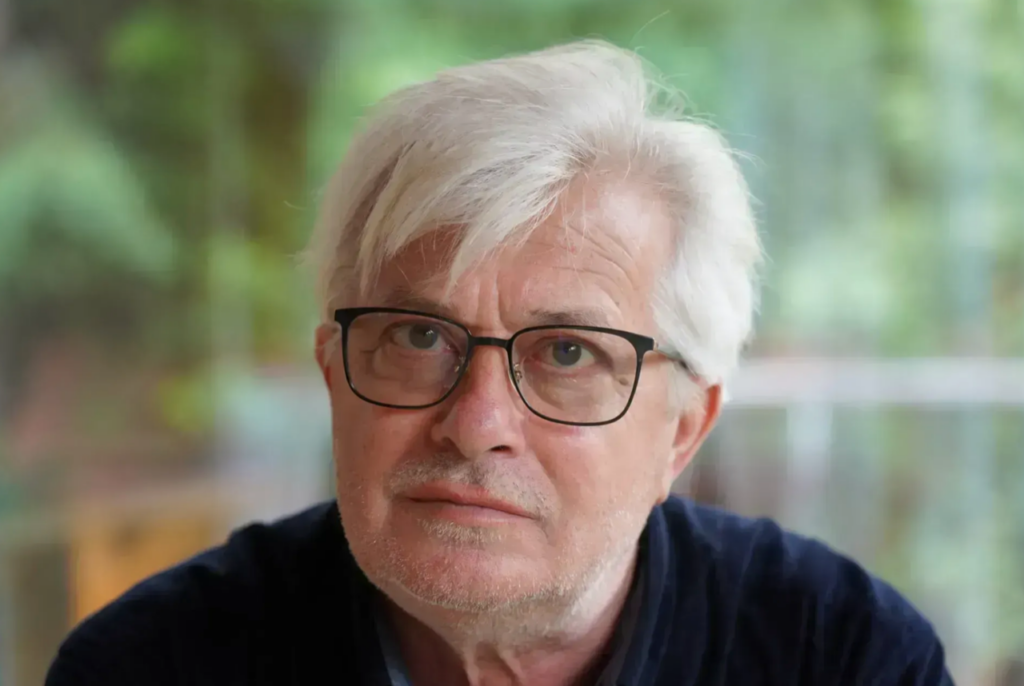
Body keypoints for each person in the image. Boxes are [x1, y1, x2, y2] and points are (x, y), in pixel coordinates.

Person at [46, 40, 954, 686]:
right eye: (418, 337)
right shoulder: (151, 665)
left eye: (568, 353)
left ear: (682, 430)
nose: (477, 424)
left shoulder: (841, 655)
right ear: (332, 373)